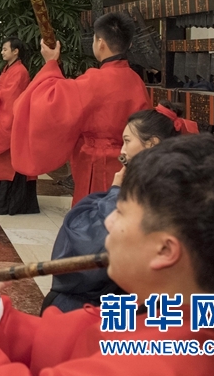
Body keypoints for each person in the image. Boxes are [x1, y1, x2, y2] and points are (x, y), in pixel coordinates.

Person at [0, 134, 214, 375]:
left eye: (121, 212)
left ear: (164, 250)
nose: (109, 221)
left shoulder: (163, 365)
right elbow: (68, 337)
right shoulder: (199, 318)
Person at [43, 101, 196, 313]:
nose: (122, 150)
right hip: (149, 296)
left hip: (118, 300)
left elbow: (91, 250)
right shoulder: (174, 181)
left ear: (151, 143)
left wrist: (115, 192)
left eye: (127, 141)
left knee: (60, 305)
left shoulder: (149, 191)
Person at [11, 12, 150, 205]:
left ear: (100, 43)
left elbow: (47, 102)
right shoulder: (137, 82)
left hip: (97, 167)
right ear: (130, 44)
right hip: (131, 167)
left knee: (92, 217)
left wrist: (50, 64)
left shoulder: (95, 80)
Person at [0, 38, 37, 215]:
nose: (2, 52)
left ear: (15, 51)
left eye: (5, 49)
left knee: (9, 163)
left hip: (12, 122)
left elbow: (10, 97)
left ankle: (8, 201)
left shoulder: (20, 71)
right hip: (1, 119)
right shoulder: (6, 69)